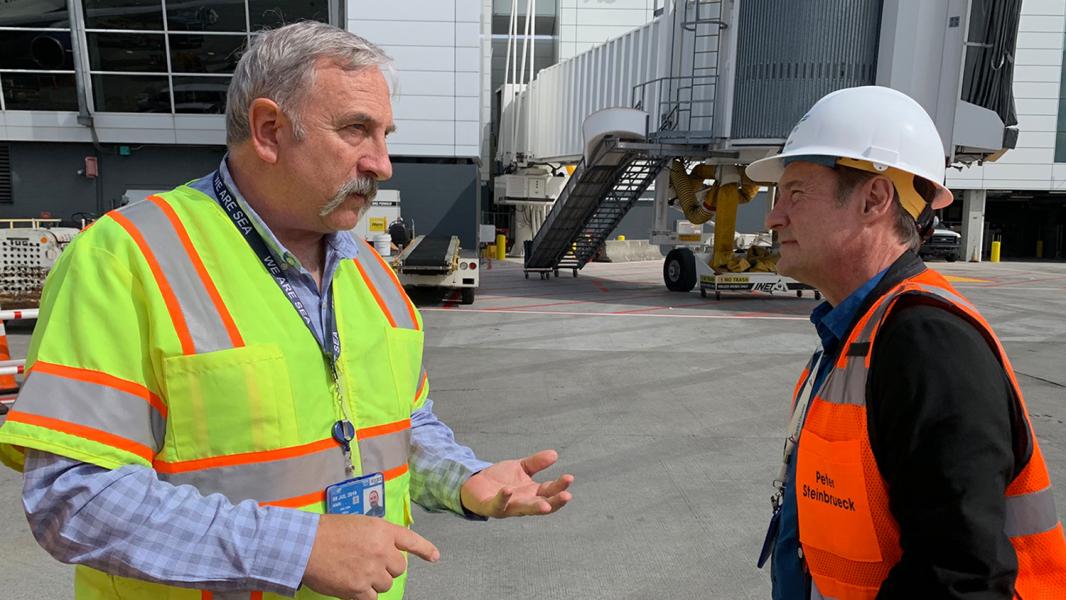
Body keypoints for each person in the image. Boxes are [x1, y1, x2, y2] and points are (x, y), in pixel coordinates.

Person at [0, 21, 573, 600]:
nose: (383, 163)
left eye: (385, 134)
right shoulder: (128, 258)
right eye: (357, 130)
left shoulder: (373, 275)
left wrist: (465, 479)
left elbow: (403, 425)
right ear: (270, 130)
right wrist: (296, 549)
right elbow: (74, 497)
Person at [744, 85, 1066, 599]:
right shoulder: (859, 330)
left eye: (796, 193)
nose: (774, 217)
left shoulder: (926, 342)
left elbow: (961, 578)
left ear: (874, 199)